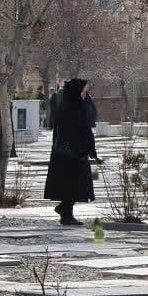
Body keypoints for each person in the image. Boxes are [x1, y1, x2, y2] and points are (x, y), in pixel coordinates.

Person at [44, 78, 101, 226]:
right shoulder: (75, 108)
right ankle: (66, 213)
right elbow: (84, 130)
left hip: (66, 155)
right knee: (76, 185)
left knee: (73, 186)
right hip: (74, 155)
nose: (85, 93)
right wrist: (90, 150)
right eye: (83, 91)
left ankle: (65, 211)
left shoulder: (68, 107)